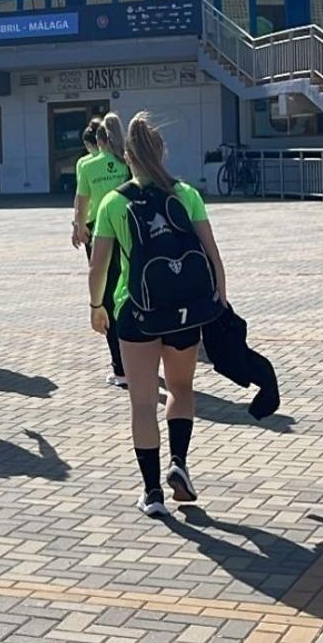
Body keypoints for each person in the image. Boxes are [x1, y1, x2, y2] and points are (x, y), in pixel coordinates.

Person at [90, 114, 228, 517]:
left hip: (135, 311)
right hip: (184, 310)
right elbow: (211, 250)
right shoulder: (185, 194)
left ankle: (152, 493)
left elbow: (98, 266)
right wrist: (219, 294)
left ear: (127, 156)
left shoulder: (114, 202)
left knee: (142, 402)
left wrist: (96, 306)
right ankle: (179, 463)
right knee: (181, 390)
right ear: (162, 152)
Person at [74, 113, 130, 388]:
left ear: (99, 139)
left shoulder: (87, 165)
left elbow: (82, 201)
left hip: (100, 232)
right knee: (130, 290)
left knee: (106, 296)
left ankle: (120, 366)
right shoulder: (128, 163)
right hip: (130, 232)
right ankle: (139, 357)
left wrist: (78, 227)